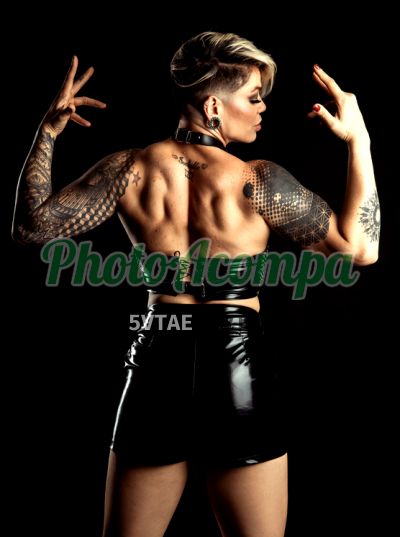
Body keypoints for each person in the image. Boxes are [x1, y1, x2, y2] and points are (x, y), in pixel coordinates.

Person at [12, 31, 380, 537]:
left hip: (158, 355)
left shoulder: (130, 169)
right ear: (213, 106)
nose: (262, 109)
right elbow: (360, 249)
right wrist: (359, 140)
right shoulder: (258, 181)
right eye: (254, 97)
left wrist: (48, 132)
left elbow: (32, 227)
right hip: (236, 363)